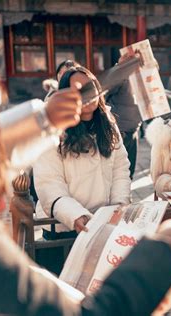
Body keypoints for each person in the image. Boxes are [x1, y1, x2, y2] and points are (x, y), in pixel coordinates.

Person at [0, 31, 171, 315]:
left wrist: (44, 119)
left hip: (107, 220)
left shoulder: (106, 125)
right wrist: (162, 253)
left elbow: (119, 169)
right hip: (69, 229)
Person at [33, 66, 131, 239]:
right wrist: (75, 215)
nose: (87, 94)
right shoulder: (54, 130)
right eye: (78, 90)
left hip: (104, 223)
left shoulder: (107, 125)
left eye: (90, 87)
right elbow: (49, 184)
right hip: (65, 227)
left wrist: (118, 206)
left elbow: (120, 170)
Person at [106, 54, 143, 179]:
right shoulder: (121, 76)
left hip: (134, 128)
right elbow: (105, 91)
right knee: (118, 169)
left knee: (129, 168)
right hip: (120, 128)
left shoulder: (142, 76)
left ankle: (127, 194)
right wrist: (118, 68)